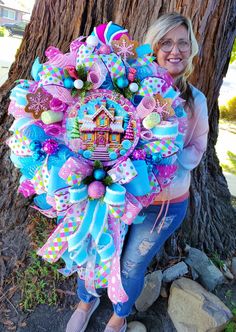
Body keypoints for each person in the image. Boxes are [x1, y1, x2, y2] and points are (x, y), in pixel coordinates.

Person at [66, 12, 209, 332]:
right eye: (166, 43)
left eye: (183, 43)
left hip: (163, 203)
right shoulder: (128, 85)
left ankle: (118, 318)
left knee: (131, 264)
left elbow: (197, 151)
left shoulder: (194, 100)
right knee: (96, 250)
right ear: (154, 48)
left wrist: (161, 161)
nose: (175, 50)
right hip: (111, 194)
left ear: (191, 49)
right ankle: (85, 302)